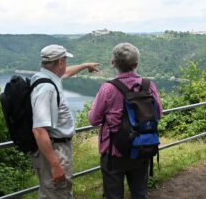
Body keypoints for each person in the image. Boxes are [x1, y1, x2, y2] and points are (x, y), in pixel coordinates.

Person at [88, 43, 163, 199]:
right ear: (137, 64)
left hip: (114, 151)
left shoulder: (108, 88)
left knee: (113, 195)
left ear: (113, 63)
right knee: (140, 193)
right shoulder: (148, 86)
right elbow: (158, 114)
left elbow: (94, 120)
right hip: (142, 147)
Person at [30, 44, 99, 199]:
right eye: (65, 61)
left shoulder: (45, 77)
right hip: (55, 149)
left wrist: (84, 66)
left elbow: (66, 73)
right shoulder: (47, 88)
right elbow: (39, 130)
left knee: (57, 192)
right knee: (57, 192)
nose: (66, 65)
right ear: (60, 62)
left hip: (56, 147)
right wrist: (55, 165)